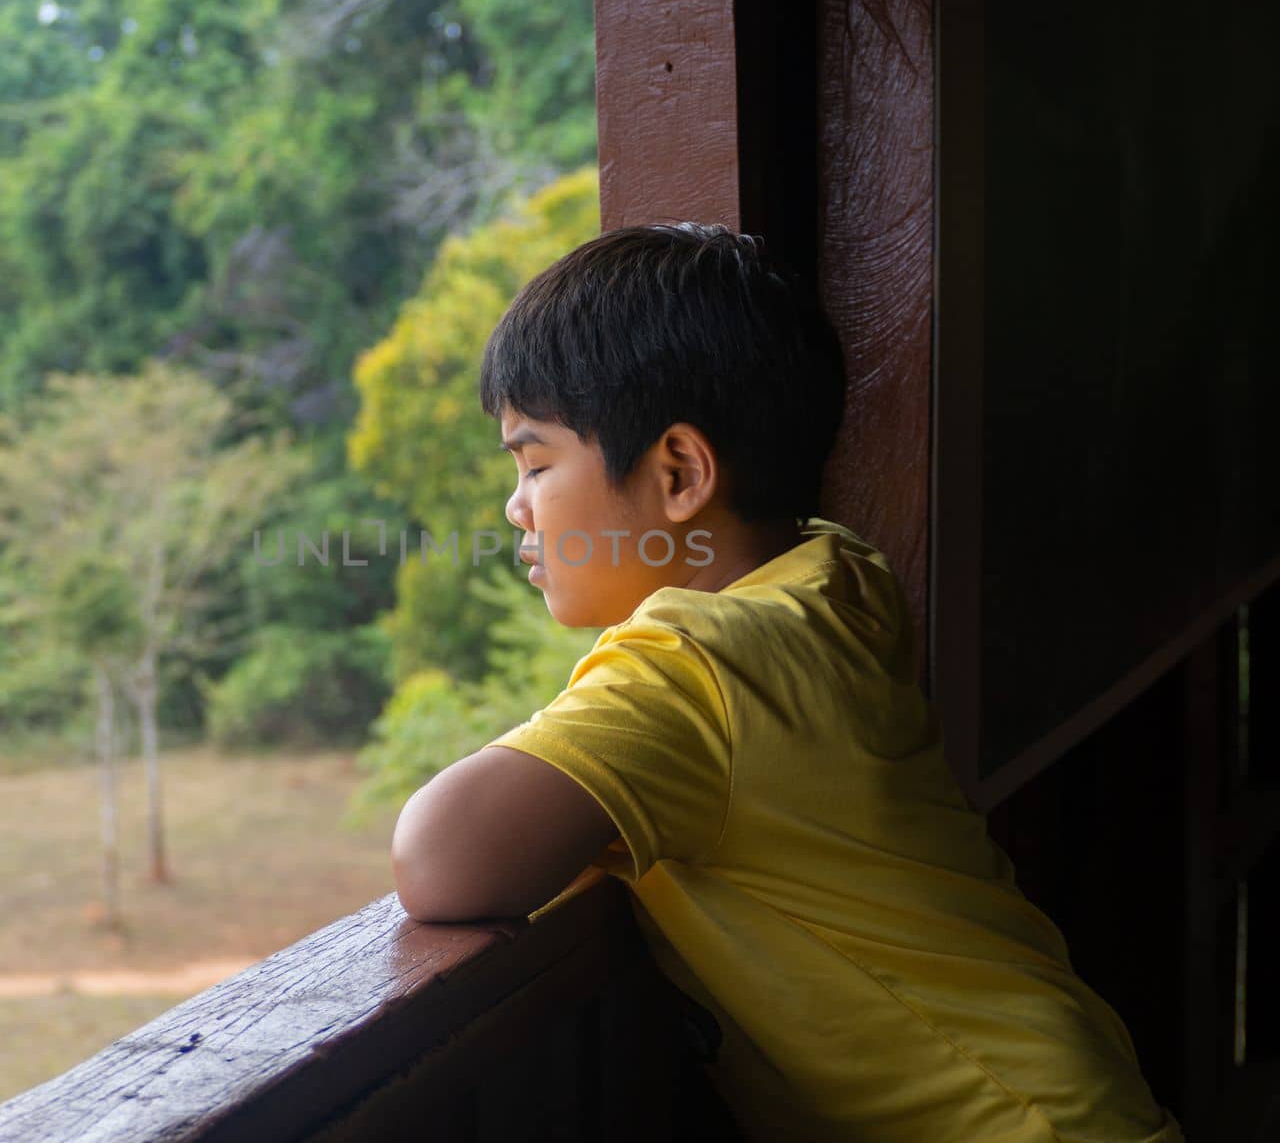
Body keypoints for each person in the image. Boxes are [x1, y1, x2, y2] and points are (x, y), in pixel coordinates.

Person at [389, 224, 1183, 1141]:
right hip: (1065, 1096)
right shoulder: (834, 572)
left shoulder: (698, 666)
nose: (514, 505)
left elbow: (440, 860)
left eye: (534, 465)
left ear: (680, 472)